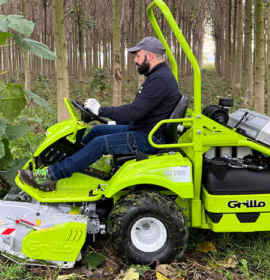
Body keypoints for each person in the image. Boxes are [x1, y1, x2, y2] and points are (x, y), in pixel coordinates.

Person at [19, 36, 181, 191]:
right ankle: (70, 163)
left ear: (150, 55)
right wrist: (115, 122)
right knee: (97, 131)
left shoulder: (160, 79)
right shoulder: (158, 77)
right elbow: (146, 111)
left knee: (99, 144)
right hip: (144, 129)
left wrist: (101, 110)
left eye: (138, 56)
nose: (135, 60)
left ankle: (49, 176)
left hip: (150, 138)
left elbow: (135, 111)